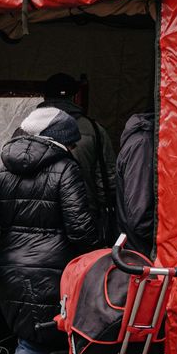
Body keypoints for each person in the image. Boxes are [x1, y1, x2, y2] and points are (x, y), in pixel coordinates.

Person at [0, 108, 95, 354]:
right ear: (60, 142)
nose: (73, 150)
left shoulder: (0, 170)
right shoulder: (65, 170)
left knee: (45, 340)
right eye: (71, 144)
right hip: (50, 272)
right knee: (34, 343)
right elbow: (81, 230)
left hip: (9, 267)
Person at [38, 73, 117, 245]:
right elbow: (107, 180)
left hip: (35, 216)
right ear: (74, 97)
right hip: (84, 215)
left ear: (45, 96)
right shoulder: (94, 130)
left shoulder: (24, 130)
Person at [115, 111, 156, 257]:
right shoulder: (143, 144)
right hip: (140, 251)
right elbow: (139, 213)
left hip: (137, 247)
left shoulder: (143, 141)